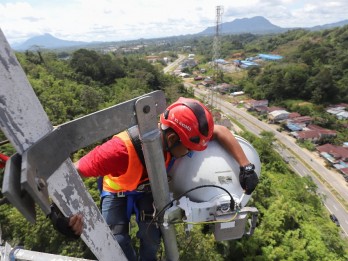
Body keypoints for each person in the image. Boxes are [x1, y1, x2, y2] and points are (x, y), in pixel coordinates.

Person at [69, 97, 259, 261]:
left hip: (149, 188)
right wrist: (65, 216)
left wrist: (246, 166)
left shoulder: (178, 136)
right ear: (171, 140)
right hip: (117, 191)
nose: (190, 153)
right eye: (188, 148)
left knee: (150, 237)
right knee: (116, 240)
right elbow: (72, 172)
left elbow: (219, 132)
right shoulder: (119, 151)